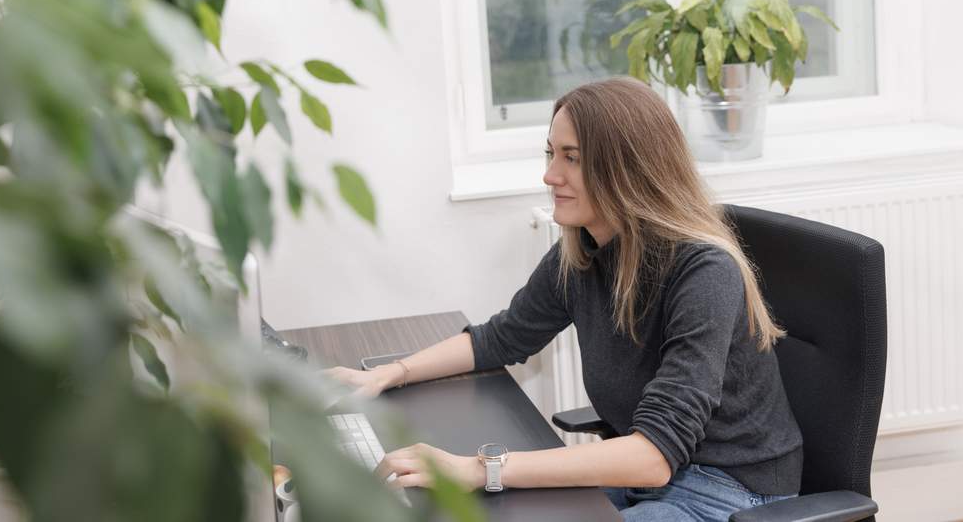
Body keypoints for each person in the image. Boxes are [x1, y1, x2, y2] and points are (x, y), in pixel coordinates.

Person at [326, 77, 803, 520]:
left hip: (728, 490)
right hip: (649, 473)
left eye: (572, 157)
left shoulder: (703, 273)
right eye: (551, 153)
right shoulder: (582, 252)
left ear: (628, 168)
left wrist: (482, 468)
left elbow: (655, 456)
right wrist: (392, 372)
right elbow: (503, 338)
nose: (550, 175)